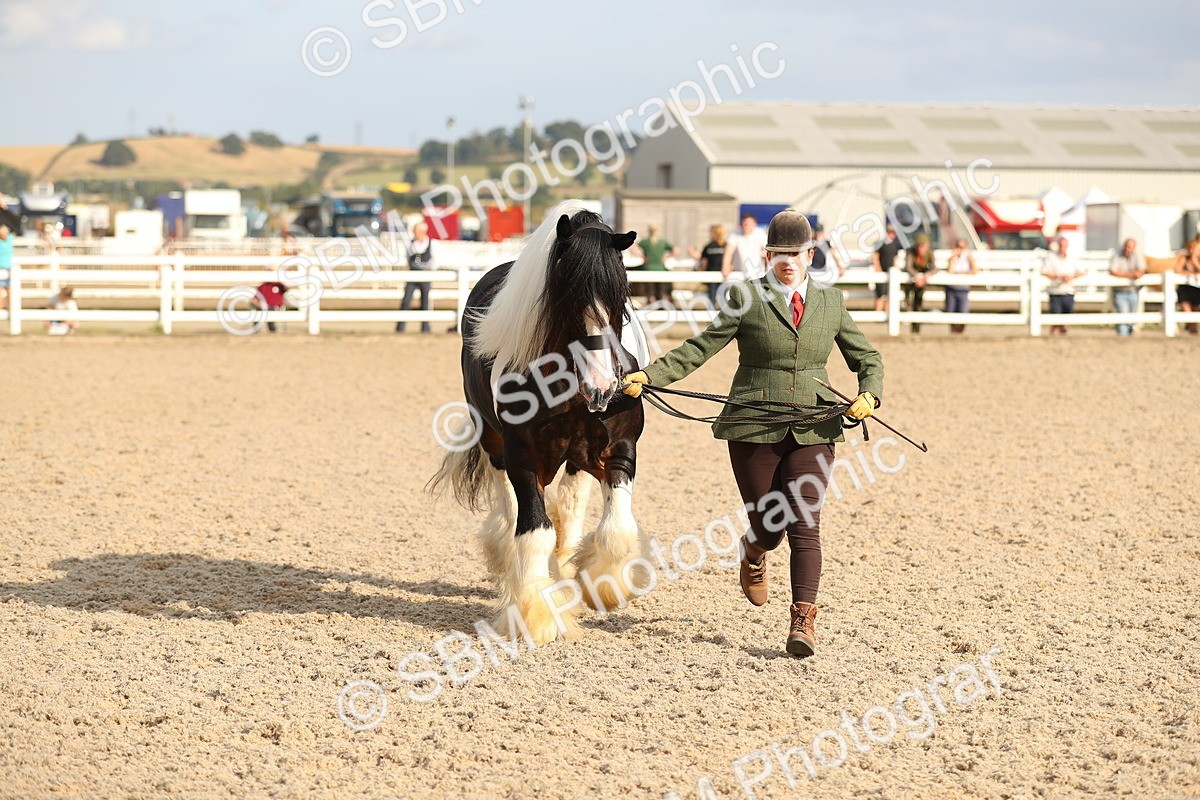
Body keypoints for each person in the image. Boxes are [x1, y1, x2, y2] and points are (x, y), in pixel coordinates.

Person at [622, 209, 884, 657]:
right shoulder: (745, 296)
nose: (788, 262)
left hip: (813, 425)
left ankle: (803, 619)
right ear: (767, 254)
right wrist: (650, 376)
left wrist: (869, 395)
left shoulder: (832, 302)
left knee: (805, 523)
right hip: (752, 424)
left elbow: (868, 358)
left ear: (810, 255)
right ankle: (753, 548)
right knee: (770, 523)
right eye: (779, 254)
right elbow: (702, 347)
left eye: (796, 254)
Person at [396, 221, 435, 333]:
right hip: (412, 274)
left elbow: (435, 261)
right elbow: (407, 258)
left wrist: (427, 268)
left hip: (425, 275)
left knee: (425, 302)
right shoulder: (411, 243)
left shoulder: (431, 243)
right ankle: (400, 328)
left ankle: (425, 328)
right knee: (406, 301)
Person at [1042, 236, 1084, 335]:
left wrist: (1070, 277)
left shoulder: (1072, 258)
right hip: (1055, 291)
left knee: (1066, 318)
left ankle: (1062, 336)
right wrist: (1057, 276)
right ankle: (1054, 336)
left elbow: (1081, 272)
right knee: (1056, 317)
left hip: (1068, 291)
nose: (1063, 248)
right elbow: (1044, 272)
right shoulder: (1051, 258)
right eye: (1061, 245)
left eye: (1064, 245)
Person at [1108, 238, 1146, 337]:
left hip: (1133, 291)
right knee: (1123, 314)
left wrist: (1137, 273)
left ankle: (1127, 335)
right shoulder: (1117, 255)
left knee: (1131, 315)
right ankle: (1122, 336)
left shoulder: (1137, 255)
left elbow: (1142, 269)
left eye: (1130, 247)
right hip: (1120, 291)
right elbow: (1112, 271)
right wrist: (1131, 274)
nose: (1127, 249)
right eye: (1126, 246)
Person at [635, 223, 678, 304]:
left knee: (650, 294)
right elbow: (676, 249)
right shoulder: (662, 241)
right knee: (661, 293)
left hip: (648, 269)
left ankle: (651, 309)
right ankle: (660, 310)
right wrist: (666, 258)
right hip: (660, 269)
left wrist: (642, 257)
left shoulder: (646, 241)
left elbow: (633, 247)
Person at [688, 224, 727, 308]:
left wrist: (701, 272)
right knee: (724, 296)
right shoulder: (726, 245)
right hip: (724, 275)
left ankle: (711, 316)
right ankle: (726, 318)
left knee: (712, 297)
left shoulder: (709, 246)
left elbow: (704, 262)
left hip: (711, 276)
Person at [904, 233, 937, 333]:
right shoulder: (910, 252)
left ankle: (916, 329)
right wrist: (917, 276)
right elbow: (908, 267)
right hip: (910, 282)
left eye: (923, 246)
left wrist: (928, 274)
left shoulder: (930, 254)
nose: (921, 248)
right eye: (919, 246)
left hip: (922, 282)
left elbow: (935, 268)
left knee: (918, 304)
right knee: (909, 303)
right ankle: (910, 327)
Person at [723, 213, 768, 281]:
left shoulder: (760, 233)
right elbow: (728, 252)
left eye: (749, 224)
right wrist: (725, 267)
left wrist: (769, 268)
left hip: (757, 271)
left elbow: (767, 251)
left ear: (754, 224)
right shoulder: (735, 234)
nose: (746, 226)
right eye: (744, 224)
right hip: (739, 271)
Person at [944, 239, 977, 334]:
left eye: (962, 247)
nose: (960, 249)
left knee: (963, 311)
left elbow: (975, 270)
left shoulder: (968, 258)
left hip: (963, 288)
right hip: (952, 288)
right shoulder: (953, 258)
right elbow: (950, 271)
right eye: (958, 246)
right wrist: (953, 257)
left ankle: (960, 332)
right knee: (950, 311)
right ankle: (953, 332)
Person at [871, 225, 902, 312]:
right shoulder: (880, 243)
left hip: (891, 272)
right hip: (881, 271)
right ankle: (878, 312)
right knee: (880, 294)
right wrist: (878, 268)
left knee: (889, 293)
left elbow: (895, 257)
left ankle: (887, 312)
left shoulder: (895, 244)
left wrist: (895, 268)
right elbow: (875, 255)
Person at [808, 223, 845, 288]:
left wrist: (840, 267)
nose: (817, 234)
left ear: (822, 232)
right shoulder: (810, 242)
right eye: (816, 232)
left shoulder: (826, 243)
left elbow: (834, 255)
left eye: (819, 232)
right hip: (811, 271)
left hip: (822, 272)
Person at [1178, 239, 1200, 335]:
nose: (1191, 250)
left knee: (1195, 309)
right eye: (1190, 248)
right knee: (1187, 310)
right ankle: (1193, 332)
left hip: (1196, 289)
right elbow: (1177, 270)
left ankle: (1193, 330)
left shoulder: (1198, 259)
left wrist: (1195, 260)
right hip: (1185, 289)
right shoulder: (1184, 258)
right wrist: (1190, 273)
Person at [0, 221, 13, 316]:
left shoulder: (7, 240)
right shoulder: (10, 239)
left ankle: (5, 307)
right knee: (7, 290)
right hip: (6, 268)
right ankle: (9, 307)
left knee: (3, 290)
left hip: (4, 268)